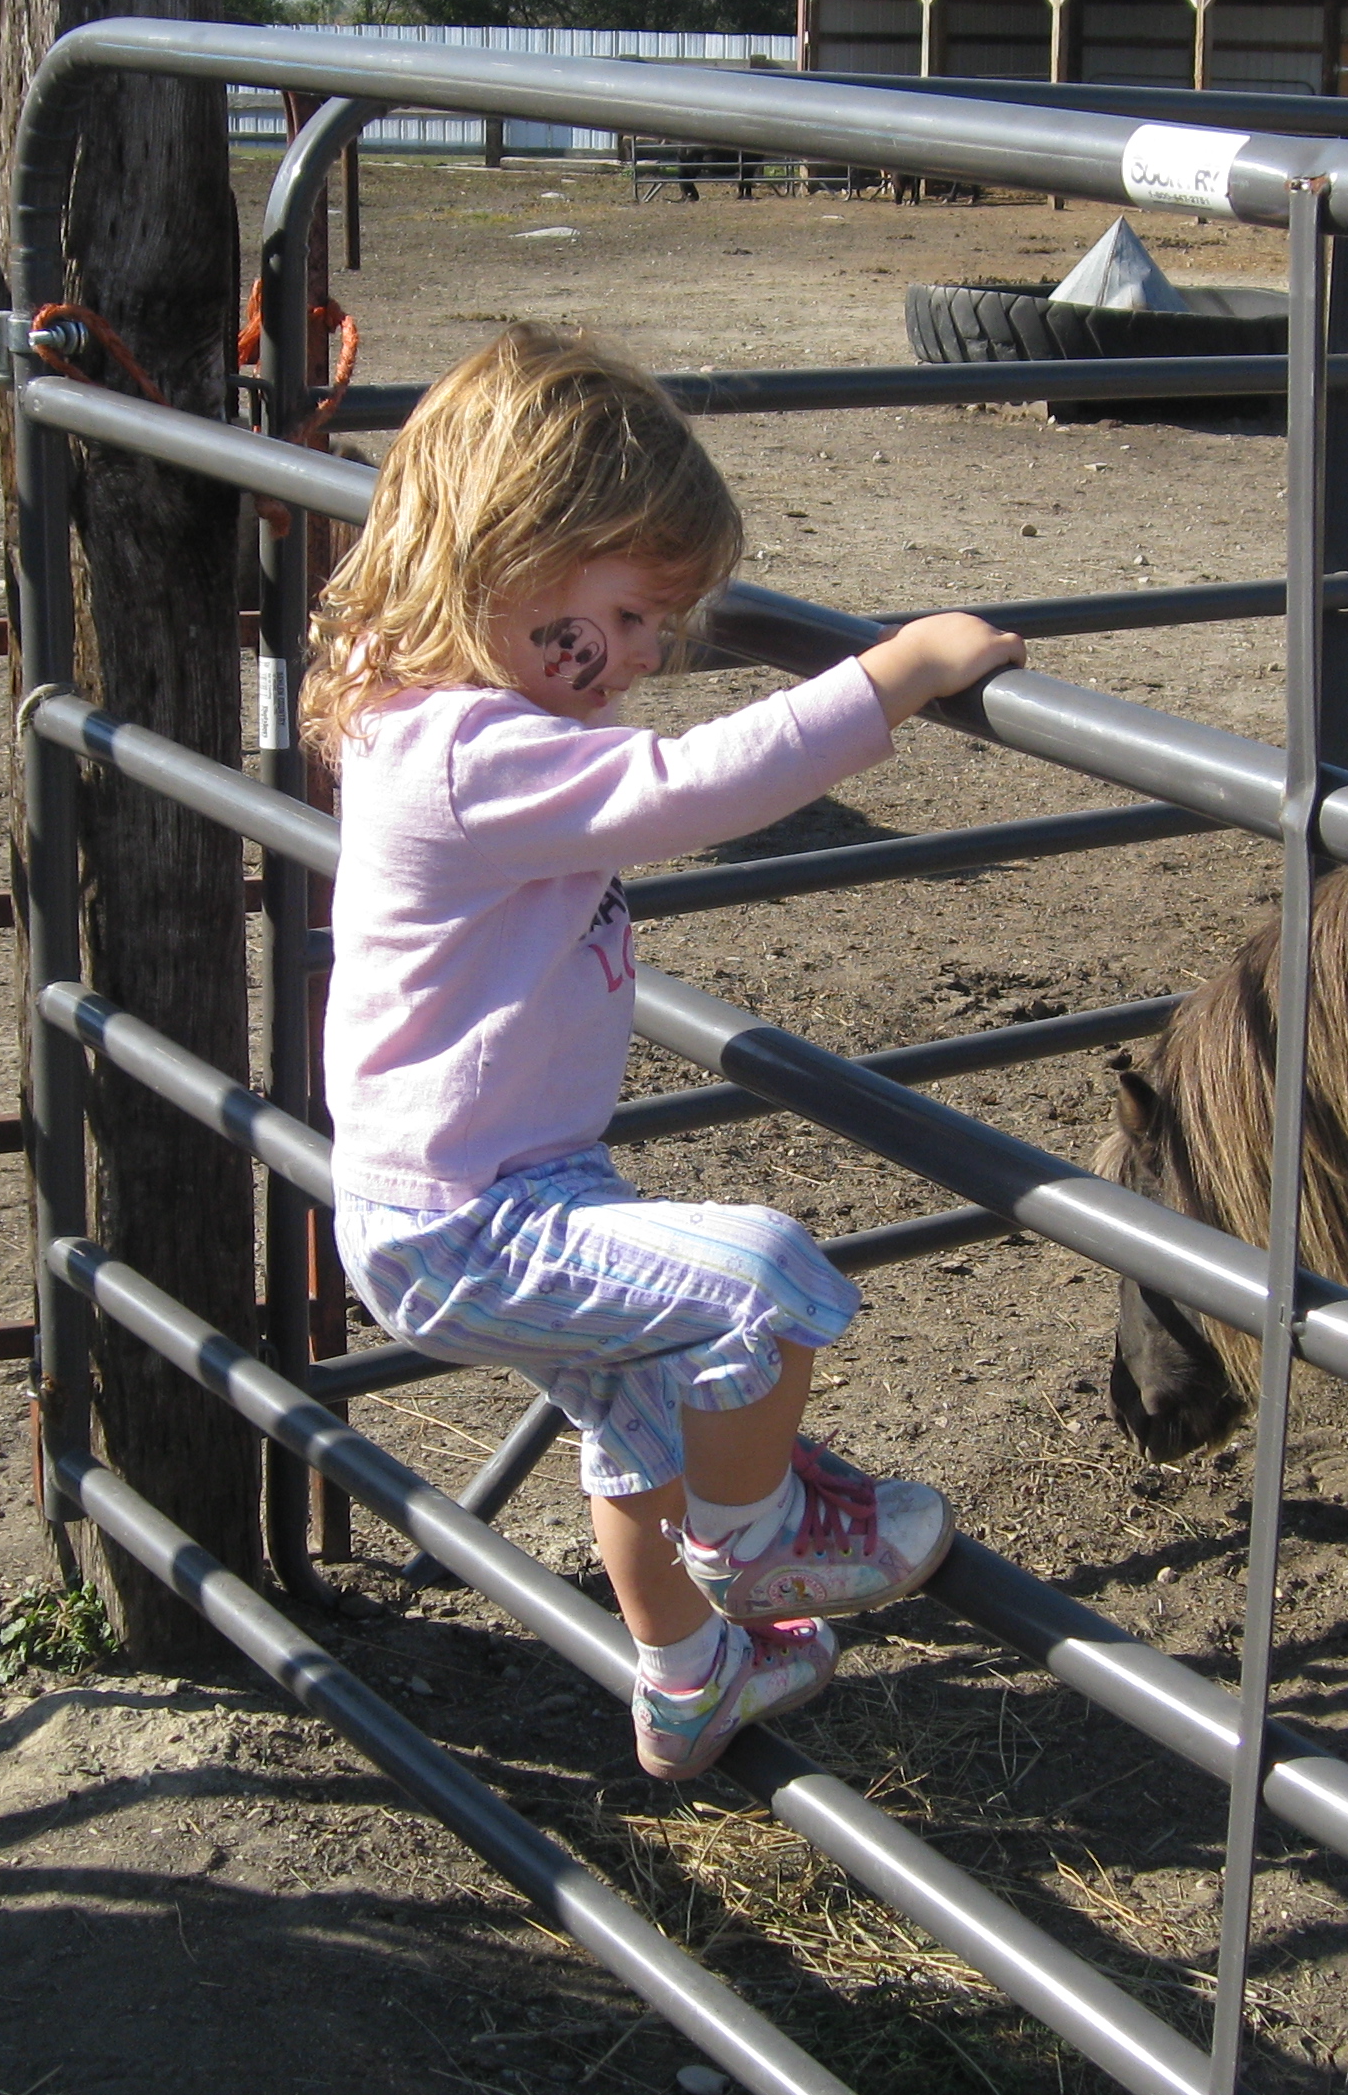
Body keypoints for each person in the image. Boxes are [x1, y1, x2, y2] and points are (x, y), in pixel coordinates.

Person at [300, 326, 1026, 1780]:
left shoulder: (427, 706)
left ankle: (689, 1680)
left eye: (656, 631)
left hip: (503, 1189)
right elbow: (690, 785)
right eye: (628, 616)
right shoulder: (466, 752)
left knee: (645, 1419)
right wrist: (894, 672)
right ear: (508, 550)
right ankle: (758, 1545)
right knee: (763, 1278)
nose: (639, 660)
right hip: (468, 1220)